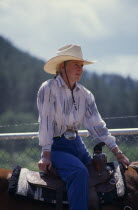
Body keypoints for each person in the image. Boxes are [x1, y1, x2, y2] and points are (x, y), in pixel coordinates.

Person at [37, 44, 130, 210]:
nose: (80, 69)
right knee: (78, 173)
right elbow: (46, 122)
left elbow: (98, 126)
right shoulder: (48, 88)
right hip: (56, 146)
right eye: (75, 65)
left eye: (82, 66)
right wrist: (46, 155)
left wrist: (118, 153)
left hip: (77, 145)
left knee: (101, 173)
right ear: (62, 66)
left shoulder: (85, 94)